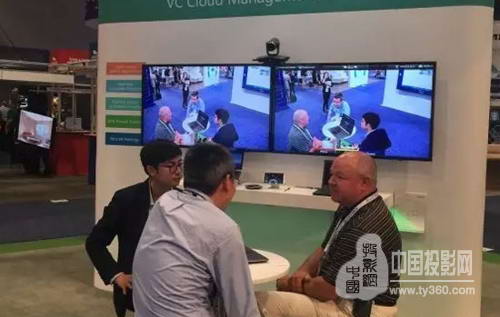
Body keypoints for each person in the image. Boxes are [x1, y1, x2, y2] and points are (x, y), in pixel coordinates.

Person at [256, 152, 401, 317]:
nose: (331, 181)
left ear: (364, 183)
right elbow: (325, 247)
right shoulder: (352, 205)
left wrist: (289, 284)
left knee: (257, 303)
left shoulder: (364, 227)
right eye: (331, 174)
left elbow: (329, 290)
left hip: (358, 309)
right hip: (343, 299)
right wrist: (301, 273)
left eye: (340, 177)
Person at [133, 143, 260, 317]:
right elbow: (242, 309)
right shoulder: (224, 228)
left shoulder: (164, 203)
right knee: (282, 305)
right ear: (227, 182)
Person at [85, 140, 183, 317]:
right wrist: (116, 275)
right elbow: (95, 242)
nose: (178, 171)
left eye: (180, 164)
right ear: (151, 170)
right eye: (170, 166)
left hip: (176, 294)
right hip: (135, 293)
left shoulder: (185, 200)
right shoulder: (126, 199)